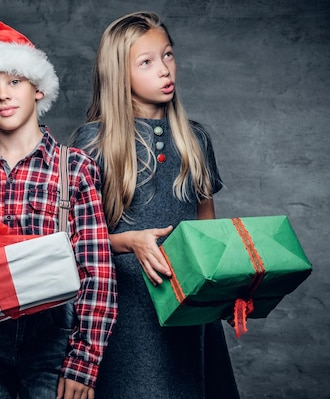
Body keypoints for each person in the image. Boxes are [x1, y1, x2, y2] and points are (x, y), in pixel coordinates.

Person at [0, 19, 117, 399]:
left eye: (14, 80)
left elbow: (97, 271)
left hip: (55, 344)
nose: (3, 94)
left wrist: (84, 361)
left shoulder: (75, 168)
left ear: (37, 87)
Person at [70, 11, 240, 398]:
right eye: (146, 62)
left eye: (167, 55)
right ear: (119, 74)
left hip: (190, 313)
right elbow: (71, 241)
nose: (164, 70)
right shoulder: (92, 142)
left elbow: (207, 230)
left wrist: (228, 285)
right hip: (125, 314)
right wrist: (128, 241)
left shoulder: (195, 139)